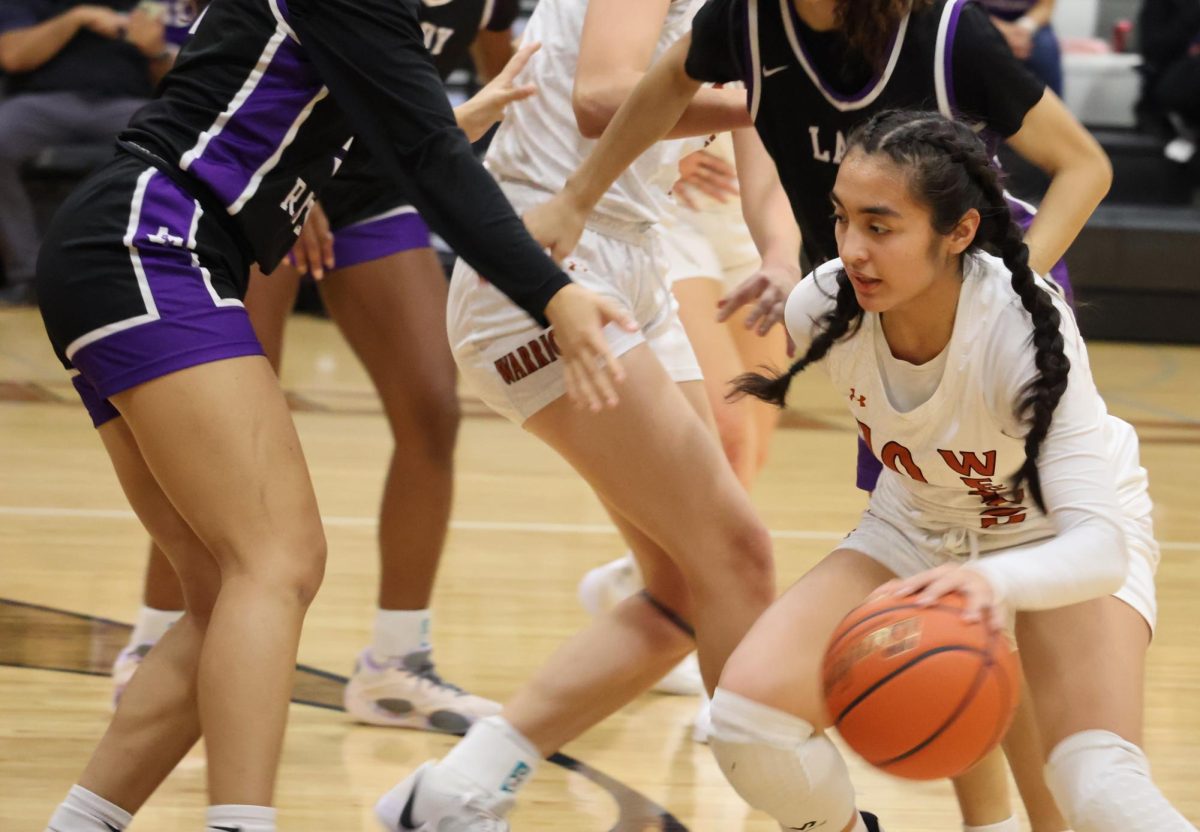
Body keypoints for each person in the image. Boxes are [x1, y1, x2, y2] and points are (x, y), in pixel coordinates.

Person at [510, 0, 1114, 828]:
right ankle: (990, 821)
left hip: (989, 339)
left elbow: (1084, 164)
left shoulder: (945, 32)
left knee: (1009, 599)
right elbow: (649, 91)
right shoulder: (750, 23)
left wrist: (1001, 296)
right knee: (943, 593)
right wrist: (579, 197)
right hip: (881, 323)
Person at [33, 0, 630, 829]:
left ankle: (81, 823)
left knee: (223, 593)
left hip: (130, 248)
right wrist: (553, 293)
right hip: (154, 240)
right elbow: (428, 163)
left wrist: (452, 120)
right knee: (278, 561)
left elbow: (338, 142)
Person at [370, 0, 794, 827]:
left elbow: (762, 156)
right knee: (737, 557)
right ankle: (800, 812)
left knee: (682, 591)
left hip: (631, 252)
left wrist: (780, 254)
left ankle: (449, 797)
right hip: (547, 249)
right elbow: (601, 96)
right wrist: (795, 92)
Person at [716, 108, 1190, 832]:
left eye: (881, 226)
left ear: (959, 232)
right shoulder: (823, 307)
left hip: (1055, 536)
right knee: (747, 723)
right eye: (842, 220)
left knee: (1094, 786)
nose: (852, 249)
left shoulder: (1021, 336)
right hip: (920, 526)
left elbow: (1099, 546)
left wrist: (990, 581)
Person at [110, 0, 531, 735]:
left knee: (433, 405)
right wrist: (286, 180)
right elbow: (210, 74)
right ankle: (155, 637)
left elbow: (507, 69)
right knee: (220, 432)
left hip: (376, 182)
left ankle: (396, 664)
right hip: (252, 180)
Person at [577, 129, 794, 722]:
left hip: (769, 202)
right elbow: (589, 82)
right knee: (725, 435)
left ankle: (637, 581)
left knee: (753, 442)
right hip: (674, 206)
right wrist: (665, 136)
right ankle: (721, 660)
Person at [0, 0, 170, 305]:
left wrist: (155, 51)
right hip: (42, 102)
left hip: (126, 105)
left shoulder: (153, 5)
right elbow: (12, 56)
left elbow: (182, 82)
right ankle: (29, 276)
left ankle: (141, 277)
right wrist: (77, 19)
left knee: (174, 142)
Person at [980, 0, 1063, 96]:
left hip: (1029, 18)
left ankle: (1050, 107)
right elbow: (962, 6)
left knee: (1044, 51)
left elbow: (1045, 6)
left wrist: (1024, 28)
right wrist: (1002, 30)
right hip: (977, 15)